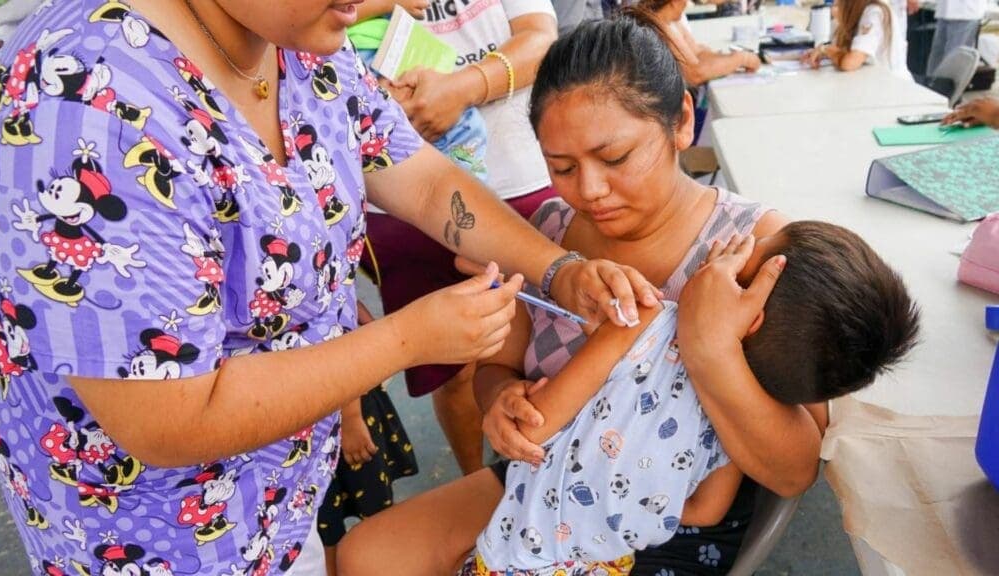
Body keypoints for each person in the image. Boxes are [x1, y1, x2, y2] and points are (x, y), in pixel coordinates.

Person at [0, 2, 658, 575]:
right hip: (157, 544)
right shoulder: (80, 105)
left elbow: (419, 178)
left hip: (284, 500)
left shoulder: (299, 41)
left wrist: (557, 269)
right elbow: (168, 418)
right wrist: (408, 337)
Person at [338, 17, 831, 576]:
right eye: (561, 167)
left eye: (615, 158)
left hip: (680, 515)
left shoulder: (755, 249)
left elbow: (794, 471)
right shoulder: (549, 227)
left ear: (682, 122)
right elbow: (498, 368)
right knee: (366, 556)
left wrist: (707, 346)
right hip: (556, 476)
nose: (590, 191)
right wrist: (501, 402)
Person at [456, 225, 919, 575]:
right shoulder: (743, 420)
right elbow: (704, 510)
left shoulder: (643, 321)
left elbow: (535, 430)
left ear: (750, 313)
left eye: (748, 254)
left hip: (514, 555)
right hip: (605, 565)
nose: (732, 248)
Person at [358, 0, 561, 475]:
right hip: (396, 199)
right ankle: (477, 484)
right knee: (455, 369)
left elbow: (540, 37)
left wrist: (461, 89)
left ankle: (553, 479)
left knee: (554, 343)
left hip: (521, 181)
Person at [318, 303, 418, 576]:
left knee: (376, 511)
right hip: (311, 415)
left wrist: (350, 416)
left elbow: (341, 314)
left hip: (349, 408)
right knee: (324, 525)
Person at [348, 0, 489, 182]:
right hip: (362, 54)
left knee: (462, 127)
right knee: (464, 128)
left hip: (390, 46)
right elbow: (318, 13)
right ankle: (468, 200)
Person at [625, 0, 761, 87]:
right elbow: (694, 74)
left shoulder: (672, 21)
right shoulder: (656, 27)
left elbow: (697, 53)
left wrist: (727, 60)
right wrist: (741, 59)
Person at [801, 0, 912, 78]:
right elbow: (841, 49)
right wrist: (822, 52)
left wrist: (825, 50)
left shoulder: (875, 12)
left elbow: (849, 63)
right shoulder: (854, 11)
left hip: (894, 91)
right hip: (872, 86)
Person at [926, 0, 984, 77]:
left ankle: (945, 86)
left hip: (965, 13)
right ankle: (931, 84)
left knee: (954, 60)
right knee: (937, 56)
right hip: (944, 12)